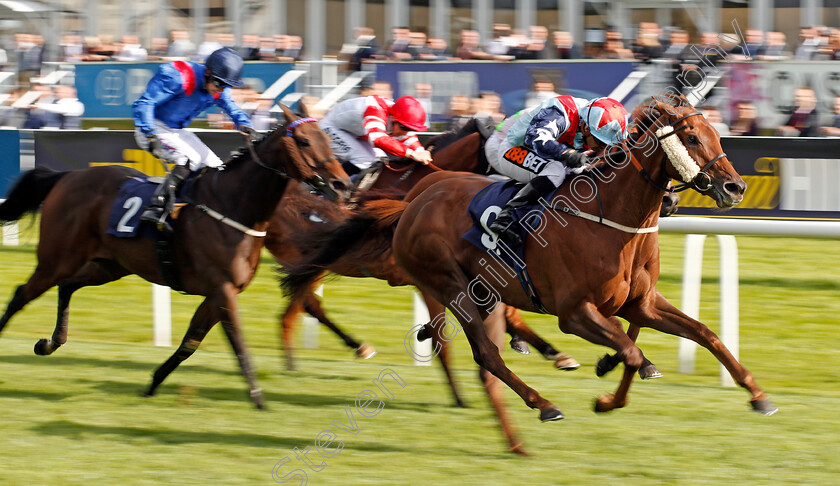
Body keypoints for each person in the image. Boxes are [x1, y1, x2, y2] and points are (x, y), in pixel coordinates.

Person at [132, 47, 255, 232]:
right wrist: (150, 134)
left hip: (176, 130)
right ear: (207, 73)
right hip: (152, 126)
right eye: (218, 83)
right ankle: (157, 208)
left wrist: (245, 125)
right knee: (188, 159)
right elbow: (144, 103)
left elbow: (232, 108)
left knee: (217, 167)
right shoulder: (177, 75)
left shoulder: (218, 87)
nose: (220, 89)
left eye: (225, 86)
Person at [485, 96, 630, 245]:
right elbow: (536, 138)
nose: (603, 148)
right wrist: (566, 153)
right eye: (601, 142)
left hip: (539, 152)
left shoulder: (592, 122)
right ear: (586, 128)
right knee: (556, 171)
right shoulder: (560, 113)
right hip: (513, 148)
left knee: (581, 172)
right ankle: (506, 217)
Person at [318, 94, 431, 179]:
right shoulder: (375, 110)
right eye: (405, 128)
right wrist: (413, 154)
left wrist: (421, 151)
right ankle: (326, 188)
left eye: (411, 129)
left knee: (379, 160)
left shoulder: (397, 115)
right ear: (393, 119)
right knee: (363, 159)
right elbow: (378, 139)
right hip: (331, 128)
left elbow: (409, 138)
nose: (406, 133)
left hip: (354, 131)